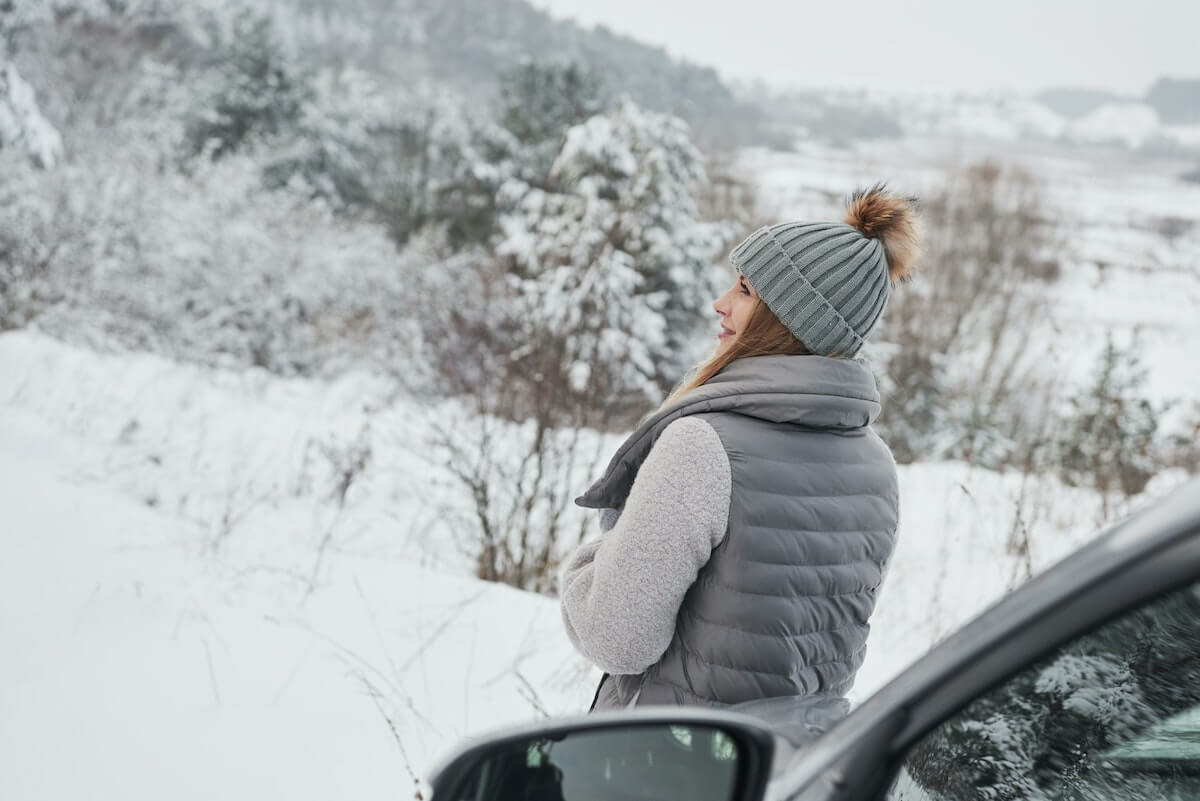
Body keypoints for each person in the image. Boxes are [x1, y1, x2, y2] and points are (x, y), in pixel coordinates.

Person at [559, 185, 920, 710]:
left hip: (674, 761)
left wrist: (589, 565)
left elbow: (616, 637)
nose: (720, 303)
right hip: (796, 770)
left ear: (790, 317)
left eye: (746, 289)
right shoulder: (876, 465)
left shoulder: (703, 447)